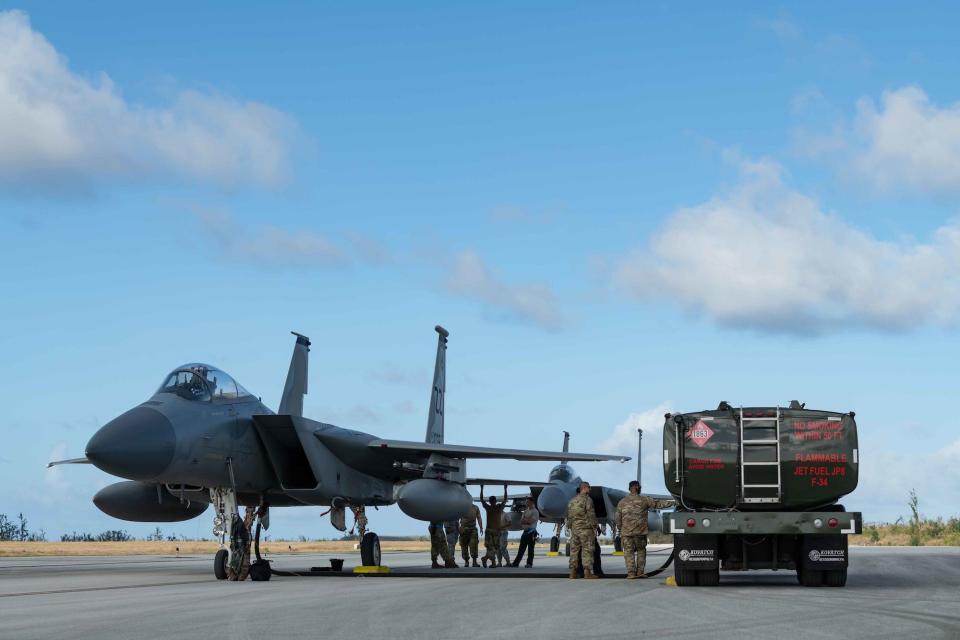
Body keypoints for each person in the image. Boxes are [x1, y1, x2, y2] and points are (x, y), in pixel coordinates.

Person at [614, 480, 675, 578]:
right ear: (638, 488)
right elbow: (658, 504)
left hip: (627, 533)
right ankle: (640, 572)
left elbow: (617, 518)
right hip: (640, 533)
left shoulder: (622, 502)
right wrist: (673, 503)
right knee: (641, 551)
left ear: (629, 489)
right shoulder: (644, 500)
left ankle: (631, 574)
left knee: (628, 552)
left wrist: (621, 529)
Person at [565, 481, 598, 579]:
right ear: (584, 488)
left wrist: (571, 527)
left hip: (575, 530)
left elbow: (569, 516)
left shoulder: (572, 501)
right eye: (589, 487)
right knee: (587, 550)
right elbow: (591, 515)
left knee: (574, 551)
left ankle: (572, 572)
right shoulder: (587, 500)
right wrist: (595, 527)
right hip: (585, 530)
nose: (590, 489)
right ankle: (587, 573)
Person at [480, 485, 507, 568]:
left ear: (490, 501)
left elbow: (481, 499)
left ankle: (486, 559)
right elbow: (505, 499)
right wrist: (505, 489)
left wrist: (481, 488)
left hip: (492, 530)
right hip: (494, 530)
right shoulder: (497, 508)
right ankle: (492, 562)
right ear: (495, 501)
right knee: (493, 547)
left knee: (493, 547)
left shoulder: (489, 508)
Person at [511, 496, 540, 568]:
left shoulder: (535, 511)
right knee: (521, 549)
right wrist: (525, 520)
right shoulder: (526, 511)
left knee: (530, 549)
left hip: (532, 532)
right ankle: (515, 563)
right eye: (526, 502)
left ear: (532, 502)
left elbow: (530, 522)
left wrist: (525, 519)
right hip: (525, 531)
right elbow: (521, 521)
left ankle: (529, 563)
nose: (526, 503)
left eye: (528, 502)